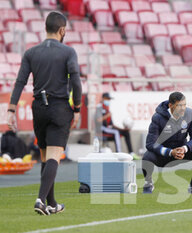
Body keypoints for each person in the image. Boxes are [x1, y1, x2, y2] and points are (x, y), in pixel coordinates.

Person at [7, 11, 82, 215]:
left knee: (45, 157)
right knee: (54, 157)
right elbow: (76, 81)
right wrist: (77, 108)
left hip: (38, 108)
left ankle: (52, 203)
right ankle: (40, 200)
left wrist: (11, 109)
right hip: (59, 108)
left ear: (45, 28)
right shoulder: (68, 52)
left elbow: (20, 82)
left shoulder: (31, 53)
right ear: (62, 30)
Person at [142, 92, 192, 194]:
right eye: (179, 105)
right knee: (147, 157)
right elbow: (150, 143)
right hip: (164, 155)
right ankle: (148, 184)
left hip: (182, 152)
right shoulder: (158, 117)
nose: (183, 108)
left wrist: (185, 148)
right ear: (170, 105)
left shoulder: (189, 114)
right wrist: (170, 152)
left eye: (184, 105)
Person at [96, 92, 140, 159]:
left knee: (126, 133)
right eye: (107, 99)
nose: (108, 100)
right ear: (103, 98)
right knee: (116, 132)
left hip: (109, 129)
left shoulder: (107, 109)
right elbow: (98, 120)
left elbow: (112, 125)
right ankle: (118, 153)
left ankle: (131, 153)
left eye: (109, 99)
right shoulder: (99, 107)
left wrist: (123, 130)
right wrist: (106, 116)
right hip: (102, 129)